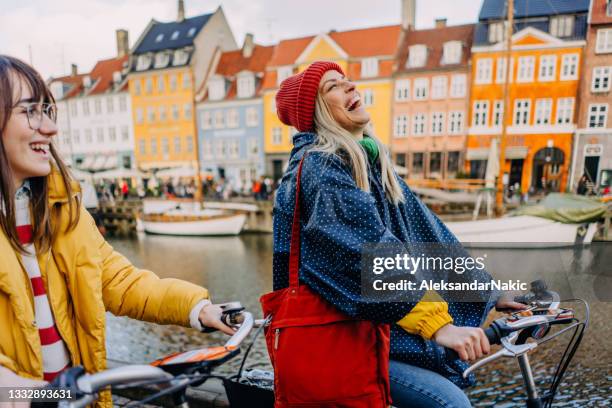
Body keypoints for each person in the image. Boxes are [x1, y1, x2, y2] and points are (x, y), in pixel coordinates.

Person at [272, 61, 526, 408]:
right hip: (341, 338)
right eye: (333, 86)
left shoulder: (370, 164)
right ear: (316, 113)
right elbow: (370, 254)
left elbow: (433, 238)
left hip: (375, 331)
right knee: (451, 403)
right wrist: (440, 326)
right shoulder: (321, 167)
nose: (350, 86)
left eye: (347, 80)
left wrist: (487, 289)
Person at [0, 55, 234, 407]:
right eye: (30, 111)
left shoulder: (63, 211)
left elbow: (120, 282)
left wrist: (197, 308)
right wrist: (29, 398)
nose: (49, 128)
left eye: (48, 111)